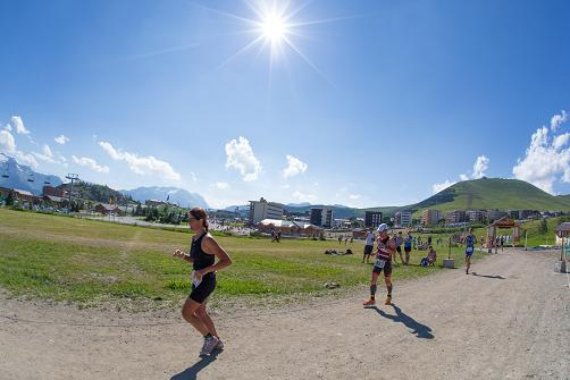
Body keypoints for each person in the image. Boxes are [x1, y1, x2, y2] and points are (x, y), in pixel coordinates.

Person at [173, 207, 233, 357]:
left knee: (186, 313)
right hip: (198, 279)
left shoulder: (208, 239)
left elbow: (227, 261)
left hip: (206, 281)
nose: (189, 222)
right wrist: (183, 256)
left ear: (201, 221)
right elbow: (195, 259)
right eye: (188, 219)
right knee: (200, 312)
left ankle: (209, 339)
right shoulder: (194, 238)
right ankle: (217, 341)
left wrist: (205, 271)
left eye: (191, 219)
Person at [363, 223, 396, 306]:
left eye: (381, 232)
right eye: (379, 231)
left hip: (387, 262)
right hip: (379, 260)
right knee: (373, 279)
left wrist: (386, 247)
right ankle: (372, 299)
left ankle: (389, 296)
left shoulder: (390, 240)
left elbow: (392, 251)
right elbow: (379, 247)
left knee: (387, 280)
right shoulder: (378, 239)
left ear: (386, 231)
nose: (380, 233)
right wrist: (375, 252)